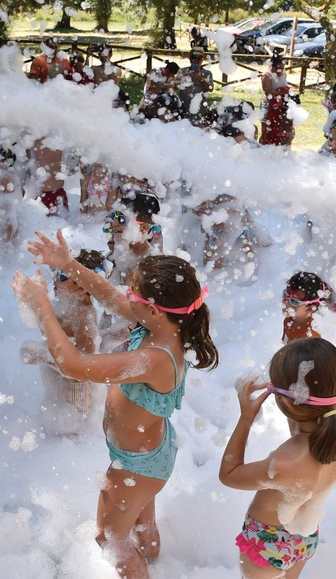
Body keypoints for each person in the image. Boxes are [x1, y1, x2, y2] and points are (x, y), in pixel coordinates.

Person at [14, 233, 218, 579]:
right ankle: (156, 559)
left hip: (134, 466)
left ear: (152, 308)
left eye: (132, 294)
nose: (125, 296)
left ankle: (140, 571)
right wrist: (67, 265)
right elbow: (107, 296)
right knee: (141, 520)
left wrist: (41, 307)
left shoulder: (154, 358)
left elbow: (74, 366)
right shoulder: (160, 324)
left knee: (110, 539)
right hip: (151, 452)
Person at [219, 338, 336, 578]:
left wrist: (246, 418)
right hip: (304, 537)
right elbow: (304, 425)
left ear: (286, 402)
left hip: (267, 546)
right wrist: (286, 397)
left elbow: (228, 475)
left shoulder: (283, 465)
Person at [20, 248, 106, 436]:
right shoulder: (66, 304)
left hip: (77, 401)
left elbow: (85, 371)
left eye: (63, 275)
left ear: (82, 287)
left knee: (70, 437)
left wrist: (43, 356)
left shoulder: (84, 317)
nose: (55, 278)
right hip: (61, 395)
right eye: (56, 272)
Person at [281, 271, 334, 343]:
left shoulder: (310, 338)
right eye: (285, 295)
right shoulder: (289, 319)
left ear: (310, 309)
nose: (285, 302)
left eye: (294, 301)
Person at [260, 54, 296, 146]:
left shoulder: (284, 74)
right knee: (265, 130)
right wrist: (282, 93)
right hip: (267, 105)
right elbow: (268, 92)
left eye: (282, 68)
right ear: (273, 66)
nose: (280, 71)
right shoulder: (266, 76)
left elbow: (284, 86)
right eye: (278, 68)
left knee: (281, 129)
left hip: (280, 105)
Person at [175, 49, 214, 124]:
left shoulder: (207, 73)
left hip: (200, 109)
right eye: (193, 57)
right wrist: (185, 79)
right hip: (184, 107)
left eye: (199, 57)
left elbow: (211, 88)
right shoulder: (183, 71)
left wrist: (201, 79)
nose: (196, 60)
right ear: (189, 58)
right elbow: (174, 86)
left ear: (203, 59)